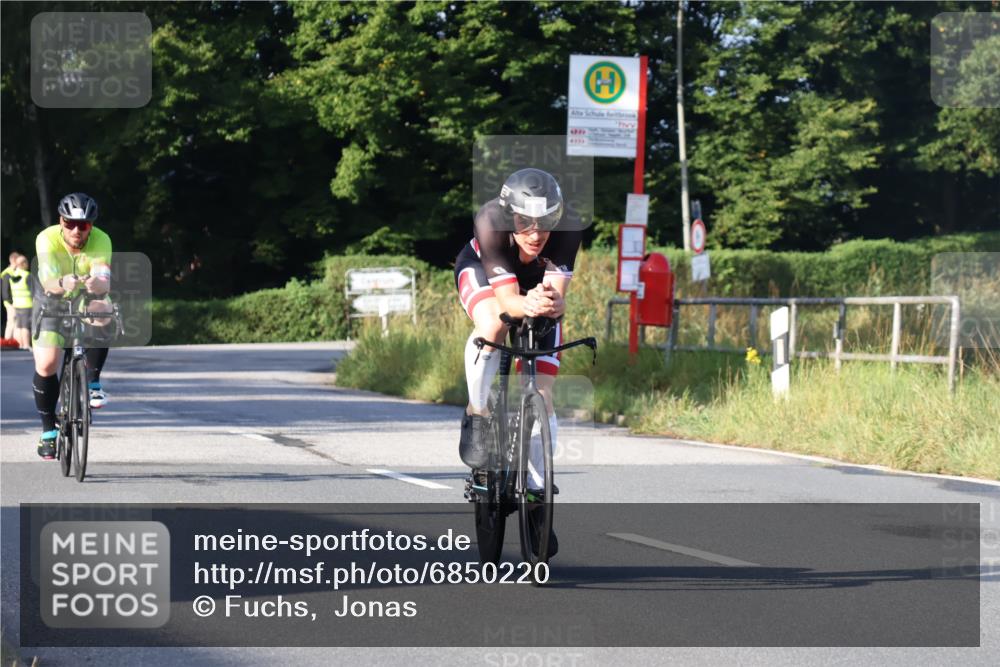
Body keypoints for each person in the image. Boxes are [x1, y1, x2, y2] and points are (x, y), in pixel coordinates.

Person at [453, 168, 582, 556]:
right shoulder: (490, 222)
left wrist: (552, 305)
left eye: (545, 223)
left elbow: (557, 294)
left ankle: (539, 500)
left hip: (533, 284)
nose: (535, 233)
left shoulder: (568, 228)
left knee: (544, 394)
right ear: (510, 216)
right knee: (493, 323)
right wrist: (525, 304)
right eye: (524, 222)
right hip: (484, 273)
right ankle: (478, 410)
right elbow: (508, 302)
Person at [32, 192, 113, 460]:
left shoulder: (102, 240)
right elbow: (47, 280)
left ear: (92, 225)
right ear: (61, 221)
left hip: (85, 295)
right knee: (47, 363)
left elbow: (104, 278)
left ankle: (93, 381)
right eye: (70, 224)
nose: (77, 230)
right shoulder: (46, 238)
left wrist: (97, 284)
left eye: (84, 225)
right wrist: (62, 283)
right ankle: (48, 432)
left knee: (103, 309)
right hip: (52, 295)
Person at [9, 254, 34, 349]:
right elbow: (33, 291)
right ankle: (27, 345)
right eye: (26, 262)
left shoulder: (13, 275)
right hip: (26, 304)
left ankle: (21, 344)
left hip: (16, 304)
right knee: (26, 326)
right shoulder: (27, 275)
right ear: (23, 264)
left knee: (19, 326)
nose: (27, 264)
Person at [2, 251, 20, 340]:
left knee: (16, 322)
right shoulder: (7, 273)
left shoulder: (13, 272)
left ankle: (15, 342)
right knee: (11, 321)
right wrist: (11, 302)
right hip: (10, 303)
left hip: (15, 302)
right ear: (13, 260)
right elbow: (5, 291)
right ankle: (7, 341)